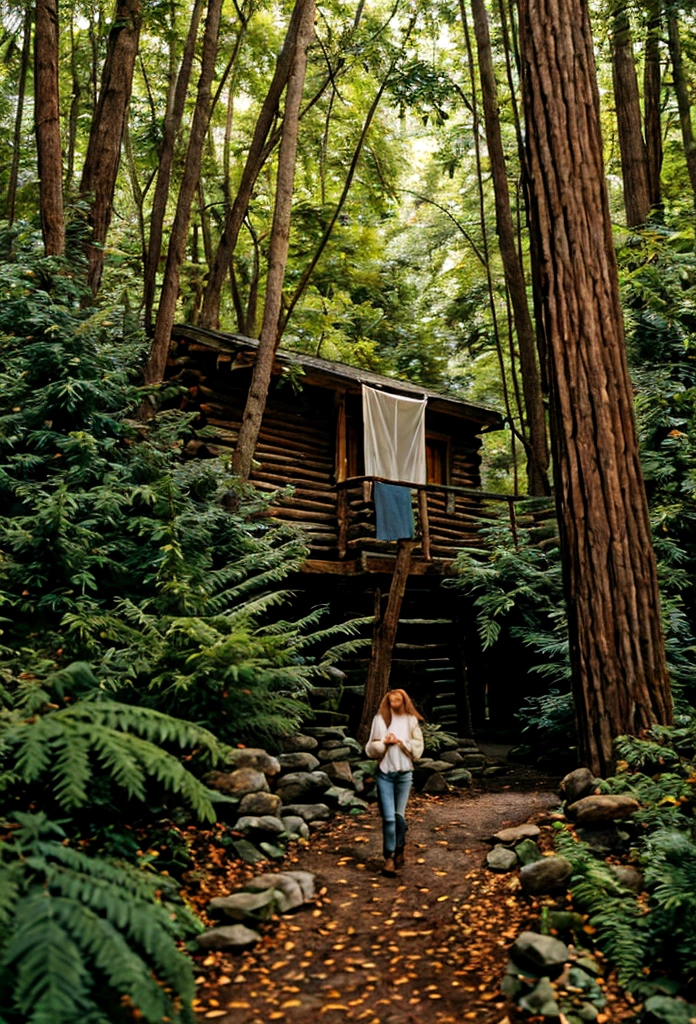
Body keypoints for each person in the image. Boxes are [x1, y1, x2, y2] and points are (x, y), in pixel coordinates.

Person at [365, 688, 424, 876]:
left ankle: (400, 847)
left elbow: (418, 747)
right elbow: (371, 746)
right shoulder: (380, 719)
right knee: (388, 818)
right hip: (385, 773)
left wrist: (401, 742)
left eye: (398, 700)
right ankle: (388, 857)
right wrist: (384, 743)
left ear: (404, 701)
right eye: (391, 700)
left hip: (404, 774)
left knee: (399, 816)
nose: (394, 703)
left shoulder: (410, 720)